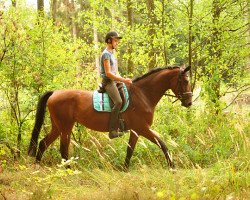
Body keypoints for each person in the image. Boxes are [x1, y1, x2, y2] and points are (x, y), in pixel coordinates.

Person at [99, 31, 132, 139]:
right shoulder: (106, 55)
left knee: (127, 96)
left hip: (115, 81)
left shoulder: (112, 54)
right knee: (118, 102)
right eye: (115, 40)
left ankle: (122, 125)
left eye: (118, 40)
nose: (117, 42)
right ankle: (112, 130)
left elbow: (115, 72)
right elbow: (108, 73)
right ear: (109, 40)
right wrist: (123, 79)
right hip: (108, 82)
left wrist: (124, 80)